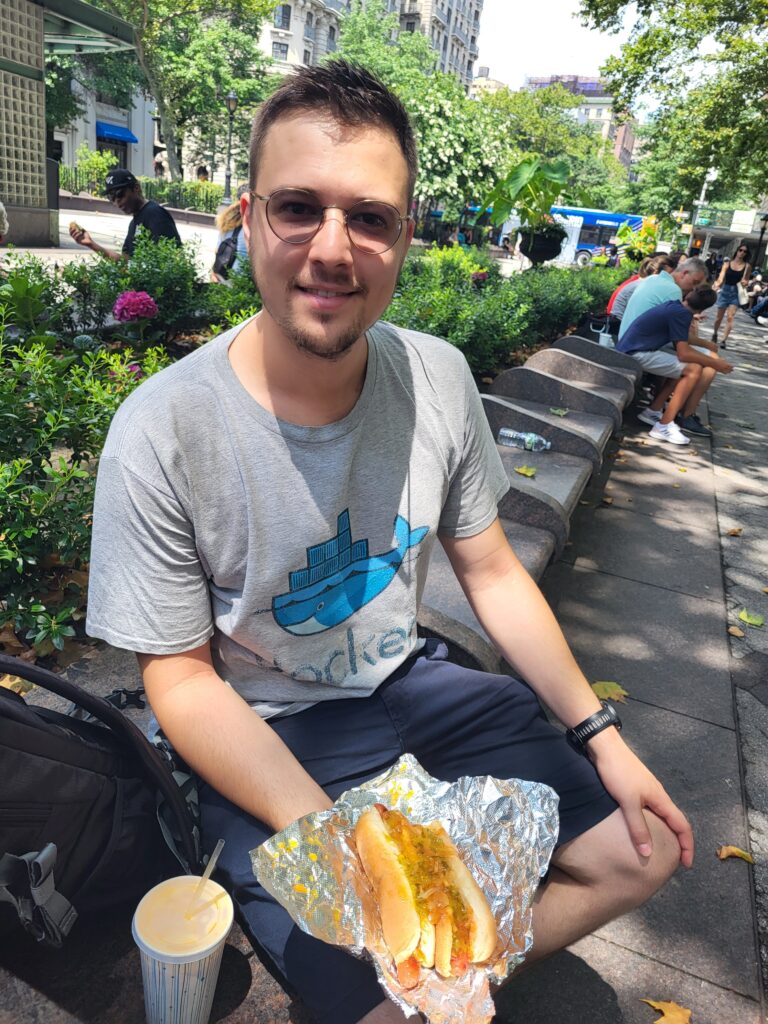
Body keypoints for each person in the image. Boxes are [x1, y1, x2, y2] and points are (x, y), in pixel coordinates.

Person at [85, 62, 691, 1024]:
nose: (332, 249)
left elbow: (491, 569)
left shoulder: (438, 377)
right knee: (385, 1010)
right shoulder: (162, 430)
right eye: (298, 208)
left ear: (405, 238)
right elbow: (184, 681)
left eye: (369, 218)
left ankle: (450, 974)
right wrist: (348, 847)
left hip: (415, 683)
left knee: (641, 853)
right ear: (247, 219)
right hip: (270, 731)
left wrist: (602, 736)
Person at [617, 285, 732, 444]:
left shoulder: (675, 306)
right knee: (693, 370)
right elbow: (683, 353)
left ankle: (653, 411)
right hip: (634, 354)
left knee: (688, 365)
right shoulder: (682, 314)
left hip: (631, 349)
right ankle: (663, 426)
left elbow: (682, 346)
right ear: (703, 309)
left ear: (688, 295)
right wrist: (716, 363)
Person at [69, 169, 181, 261]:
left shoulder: (155, 214)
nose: (117, 202)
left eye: (120, 194)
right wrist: (91, 244)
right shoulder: (134, 223)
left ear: (136, 188)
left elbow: (172, 260)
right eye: (111, 198)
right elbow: (125, 263)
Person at [618, 255, 709, 341]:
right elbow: (678, 336)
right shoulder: (673, 290)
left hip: (624, 339)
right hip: (637, 345)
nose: (694, 288)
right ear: (685, 273)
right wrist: (707, 345)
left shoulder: (652, 278)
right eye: (695, 282)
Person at [711, 243, 752, 348]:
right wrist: (716, 285)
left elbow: (746, 281)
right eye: (740, 250)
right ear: (737, 251)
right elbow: (721, 278)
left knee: (730, 317)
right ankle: (715, 334)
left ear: (746, 254)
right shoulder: (727, 264)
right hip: (725, 291)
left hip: (736, 293)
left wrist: (745, 282)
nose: (742, 252)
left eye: (745, 251)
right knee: (718, 318)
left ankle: (723, 340)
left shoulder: (747, 266)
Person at [210, 193, 248, 283]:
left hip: (221, 277)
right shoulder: (249, 228)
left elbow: (217, 250)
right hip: (241, 282)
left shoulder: (226, 223)